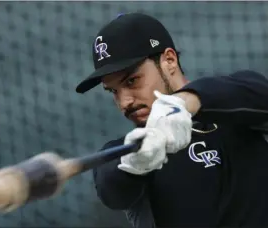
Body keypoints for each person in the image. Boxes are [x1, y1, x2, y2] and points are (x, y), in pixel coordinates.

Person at [76, 13, 268, 228]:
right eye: (113, 91)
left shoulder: (237, 111)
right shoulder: (130, 151)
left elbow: (259, 92)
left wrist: (184, 102)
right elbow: (110, 188)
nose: (124, 102)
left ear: (169, 60)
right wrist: (134, 163)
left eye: (132, 81)